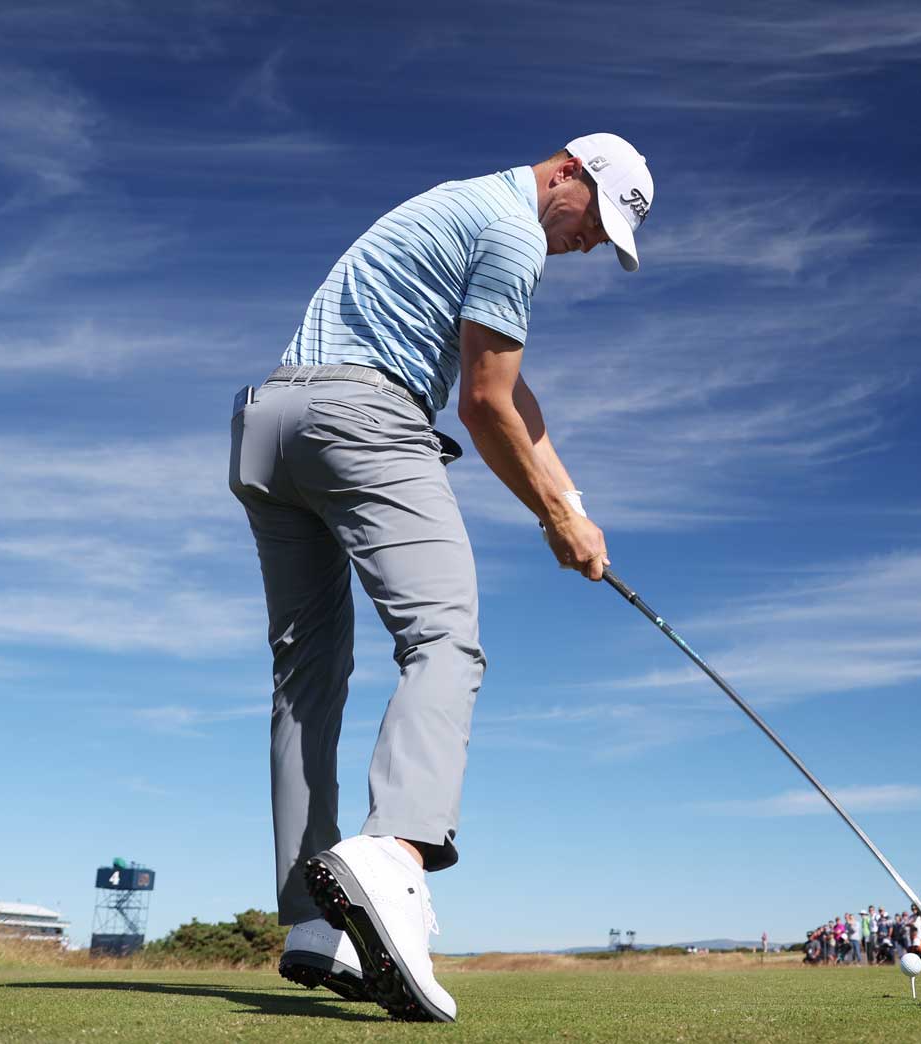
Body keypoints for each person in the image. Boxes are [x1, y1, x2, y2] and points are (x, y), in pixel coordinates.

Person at [233, 134, 653, 1022]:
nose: (588, 245)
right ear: (567, 172)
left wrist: (573, 501)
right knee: (445, 639)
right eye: (596, 221)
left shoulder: (463, 203)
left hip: (270, 425)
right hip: (364, 417)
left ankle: (316, 926)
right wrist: (554, 520)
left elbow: (514, 391)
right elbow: (483, 402)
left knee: (306, 682)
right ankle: (397, 856)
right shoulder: (514, 229)